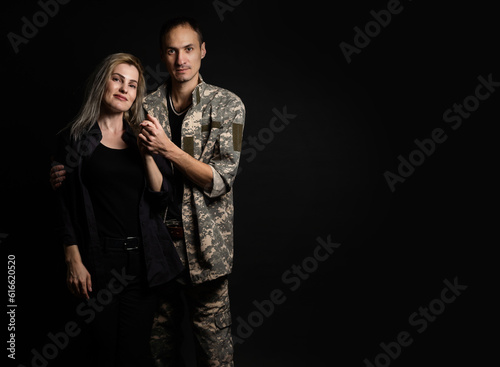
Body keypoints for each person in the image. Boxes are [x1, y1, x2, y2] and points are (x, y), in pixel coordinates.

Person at [51, 18, 246, 366]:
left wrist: (166, 148)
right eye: (172, 50)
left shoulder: (228, 106)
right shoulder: (144, 106)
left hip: (206, 256)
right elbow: (106, 155)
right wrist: (67, 169)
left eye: (188, 49)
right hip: (156, 257)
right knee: (154, 354)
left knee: (215, 357)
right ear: (162, 54)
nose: (180, 59)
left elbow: (218, 182)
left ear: (202, 51)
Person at [52, 52, 184, 367]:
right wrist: (73, 257)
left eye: (133, 84)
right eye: (117, 79)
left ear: (137, 94)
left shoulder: (141, 136)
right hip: (97, 262)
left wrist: (148, 153)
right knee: (100, 352)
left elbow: (160, 198)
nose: (124, 88)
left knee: (134, 354)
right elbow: (63, 206)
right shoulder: (74, 139)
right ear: (103, 83)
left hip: (142, 263)